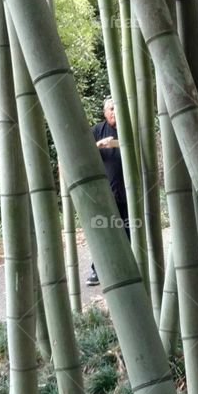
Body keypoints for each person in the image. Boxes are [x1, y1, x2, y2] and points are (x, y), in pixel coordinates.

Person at [86, 96, 129, 286]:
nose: (114, 112)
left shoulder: (130, 127)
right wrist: (99, 145)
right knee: (106, 231)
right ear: (104, 112)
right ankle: (98, 270)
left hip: (130, 192)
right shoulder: (97, 130)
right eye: (110, 109)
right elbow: (82, 150)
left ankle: (130, 269)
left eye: (116, 108)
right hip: (107, 193)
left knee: (130, 230)